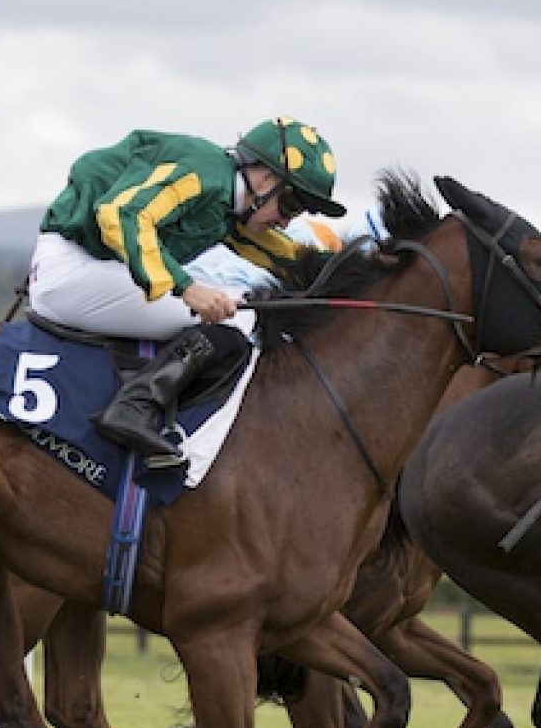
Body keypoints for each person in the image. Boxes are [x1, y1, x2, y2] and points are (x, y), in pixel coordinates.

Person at [25, 116, 346, 466]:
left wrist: (358, 272)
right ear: (265, 177)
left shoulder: (227, 202)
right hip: (71, 272)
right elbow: (120, 214)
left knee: (241, 306)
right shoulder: (205, 176)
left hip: (90, 267)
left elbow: (288, 258)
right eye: (290, 206)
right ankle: (134, 407)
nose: (288, 221)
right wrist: (187, 289)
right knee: (243, 317)